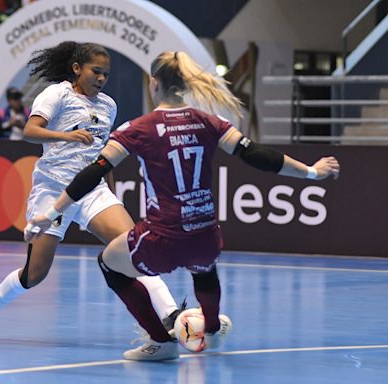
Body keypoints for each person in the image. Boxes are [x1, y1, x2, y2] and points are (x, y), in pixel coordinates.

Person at [25, 51, 341, 361]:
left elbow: (93, 173)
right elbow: (257, 155)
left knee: (110, 264)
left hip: (162, 236)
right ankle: (213, 328)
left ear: (154, 83)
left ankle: (160, 341)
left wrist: (50, 213)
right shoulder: (210, 121)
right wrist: (312, 172)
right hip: (206, 234)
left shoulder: (138, 129)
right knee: (203, 263)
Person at [0, 42, 181, 340]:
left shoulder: (108, 105)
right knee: (34, 275)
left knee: (134, 246)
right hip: (52, 191)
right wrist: (67, 136)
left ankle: (170, 314)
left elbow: (104, 155)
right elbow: (29, 131)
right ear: (77, 69)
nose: (101, 79)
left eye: (106, 75)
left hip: (91, 190)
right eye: (95, 71)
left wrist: (109, 193)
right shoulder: (56, 94)